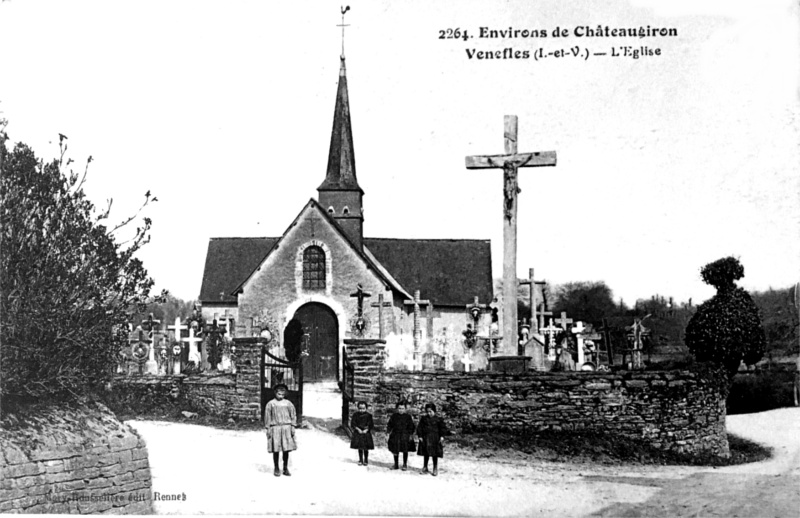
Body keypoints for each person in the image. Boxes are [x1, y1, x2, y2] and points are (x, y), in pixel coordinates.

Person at [265, 383, 297, 477]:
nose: (281, 396)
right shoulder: (271, 404)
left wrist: (293, 426)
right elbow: (267, 417)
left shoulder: (288, 403)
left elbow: (293, 415)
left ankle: (285, 467)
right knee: (276, 449)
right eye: (279, 394)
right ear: (275, 393)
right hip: (275, 427)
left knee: (286, 449)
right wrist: (268, 428)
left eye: (283, 394)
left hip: (286, 428)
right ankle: (276, 467)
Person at [416, 402, 448, 476]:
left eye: (430, 411)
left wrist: (442, 436)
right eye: (427, 412)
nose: (429, 413)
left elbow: (443, 428)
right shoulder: (424, 419)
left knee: (435, 454)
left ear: (434, 411)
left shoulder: (438, 419)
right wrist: (420, 436)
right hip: (426, 438)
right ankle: (425, 467)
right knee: (425, 453)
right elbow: (419, 428)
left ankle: (435, 467)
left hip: (435, 439)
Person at [386, 400, 415, 471]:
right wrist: (387, 433)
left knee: (405, 450)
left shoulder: (408, 417)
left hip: (405, 435)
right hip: (395, 435)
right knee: (395, 449)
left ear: (405, 409)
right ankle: (396, 464)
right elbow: (390, 425)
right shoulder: (394, 416)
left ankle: (404, 464)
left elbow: (411, 426)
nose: (401, 410)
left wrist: (410, 434)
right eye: (399, 408)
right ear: (397, 409)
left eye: (402, 408)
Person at [349, 401, 374, 466]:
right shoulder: (355, 415)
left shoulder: (369, 416)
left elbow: (371, 424)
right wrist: (358, 429)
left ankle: (366, 460)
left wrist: (366, 429)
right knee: (360, 447)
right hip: (358, 433)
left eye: (363, 408)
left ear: (366, 408)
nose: (361, 410)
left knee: (366, 448)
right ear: (358, 408)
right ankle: (360, 459)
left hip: (366, 433)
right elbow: (353, 424)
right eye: (360, 408)